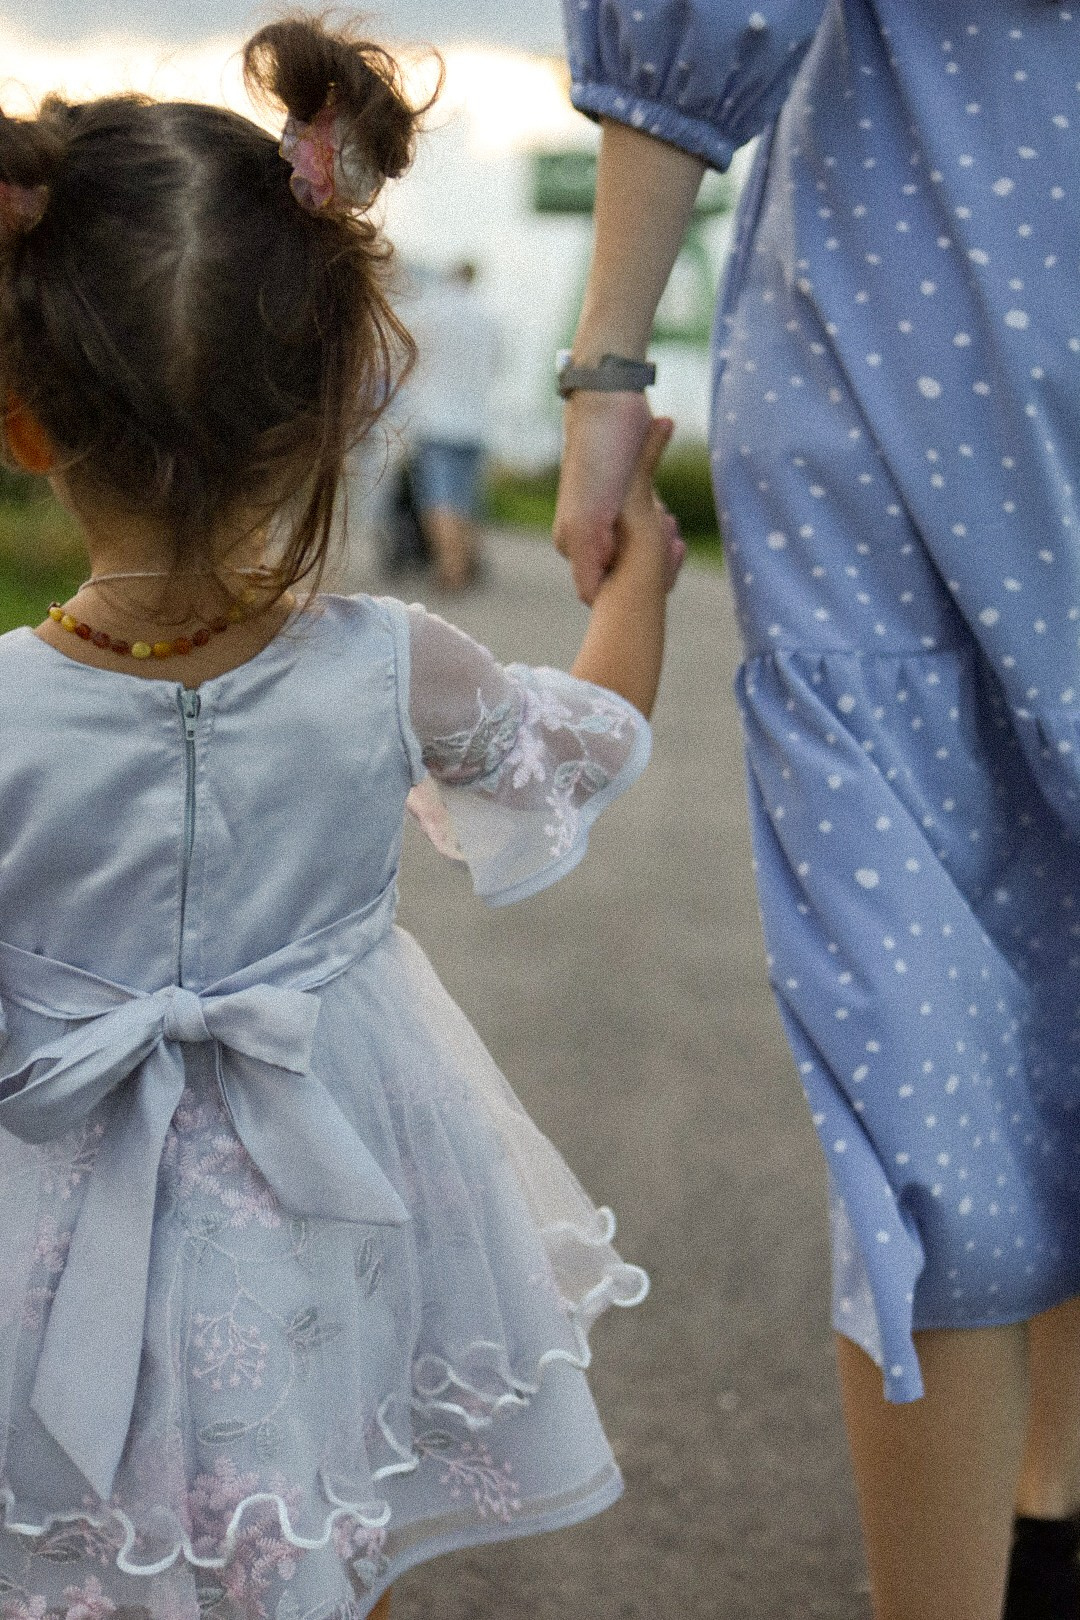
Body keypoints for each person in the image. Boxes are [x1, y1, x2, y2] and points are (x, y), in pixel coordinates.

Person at [0, 17, 685, 1620]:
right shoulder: (390, 668)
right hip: (324, 1224)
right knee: (327, 1512)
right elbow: (585, 745)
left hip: (33, 1235)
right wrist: (637, 563)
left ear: (23, 420)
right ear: (330, 405)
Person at [554, 3, 1080, 1619]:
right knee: (930, 1088)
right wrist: (610, 368)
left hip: (895, 323)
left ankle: (1048, 1516)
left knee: (1002, 1046)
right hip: (891, 364)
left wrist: (608, 371)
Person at [404, 262, 500, 591]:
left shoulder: (431, 311)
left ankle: (451, 567)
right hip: (475, 422)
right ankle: (467, 559)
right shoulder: (486, 318)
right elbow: (495, 365)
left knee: (438, 499)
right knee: (465, 500)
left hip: (436, 421)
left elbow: (410, 357)